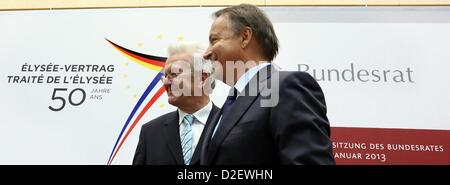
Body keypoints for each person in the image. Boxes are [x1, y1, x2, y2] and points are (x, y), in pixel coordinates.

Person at [200, 4, 335, 165]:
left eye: (214, 40)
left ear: (245, 37)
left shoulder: (285, 87)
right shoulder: (227, 106)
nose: (206, 53)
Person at [133, 43, 219, 165]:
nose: (166, 82)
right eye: (165, 76)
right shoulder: (150, 132)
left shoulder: (231, 126)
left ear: (202, 78)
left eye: (173, 75)